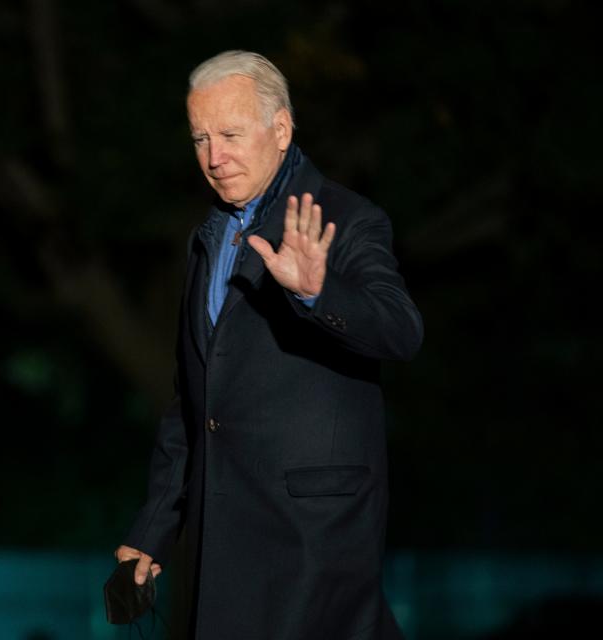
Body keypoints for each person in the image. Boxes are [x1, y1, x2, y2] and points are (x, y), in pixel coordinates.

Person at [114, 50, 423, 639]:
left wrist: (317, 291)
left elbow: (402, 330)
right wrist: (151, 532)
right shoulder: (208, 236)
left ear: (280, 129)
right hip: (220, 534)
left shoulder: (348, 218)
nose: (213, 157)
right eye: (200, 138)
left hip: (312, 537)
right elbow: (194, 401)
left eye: (229, 134)